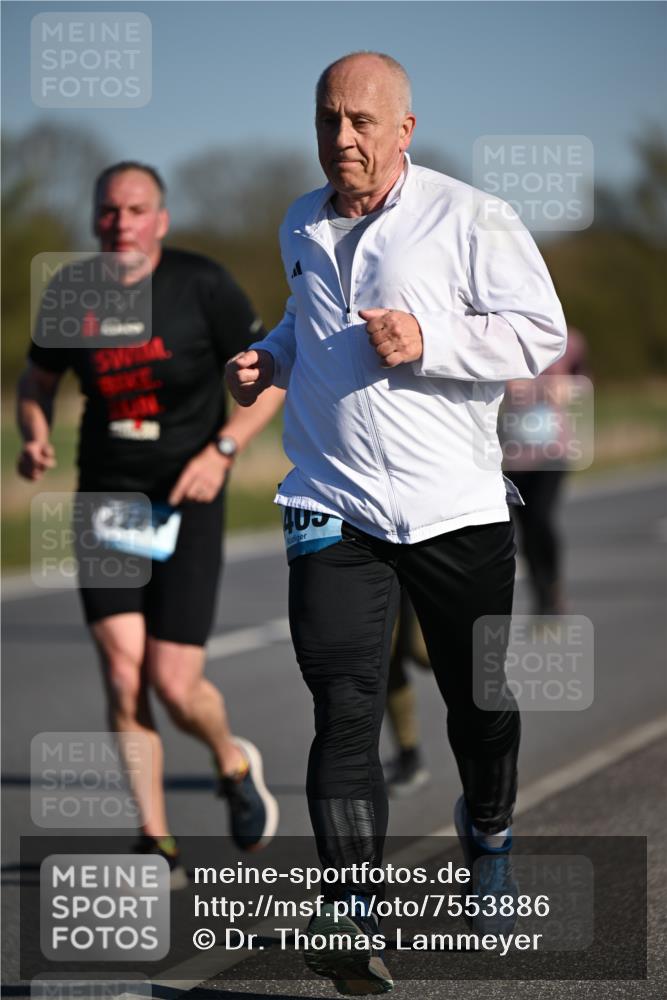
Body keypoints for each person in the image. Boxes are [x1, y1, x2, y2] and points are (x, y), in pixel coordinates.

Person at [226, 52, 566, 995]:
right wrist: (266, 355)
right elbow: (307, 322)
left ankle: (487, 831)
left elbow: (537, 331)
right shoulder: (300, 219)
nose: (342, 138)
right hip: (332, 501)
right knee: (344, 706)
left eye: (362, 122)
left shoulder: (468, 217)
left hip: (455, 507)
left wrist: (432, 340)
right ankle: (350, 909)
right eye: (328, 119)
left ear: (404, 130)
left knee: (480, 711)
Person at [17, 161, 282, 886]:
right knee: (123, 673)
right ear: (95, 219)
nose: (120, 223)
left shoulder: (203, 284)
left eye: (136, 210)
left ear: (160, 220)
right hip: (108, 499)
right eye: (108, 211)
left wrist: (222, 451)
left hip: (188, 498)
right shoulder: (73, 291)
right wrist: (33, 432)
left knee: (173, 680)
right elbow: (38, 380)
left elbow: (267, 380)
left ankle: (230, 759)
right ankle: (155, 838)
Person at [503, 327, 589, 614]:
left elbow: (583, 382)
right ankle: (542, 593)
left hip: (553, 450)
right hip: (513, 453)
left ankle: (553, 585)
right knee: (525, 526)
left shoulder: (569, 341)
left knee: (541, 516)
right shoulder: (496, 338)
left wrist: (567, 388)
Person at [384, 591, 431, 796]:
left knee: (422, 651)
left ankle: (487, 743)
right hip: (377, 569)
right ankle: (409, 755)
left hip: (427, 565)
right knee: (384, 656)